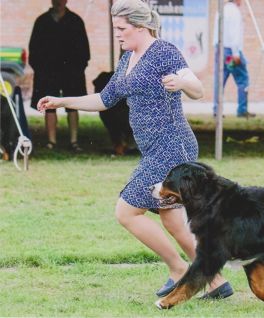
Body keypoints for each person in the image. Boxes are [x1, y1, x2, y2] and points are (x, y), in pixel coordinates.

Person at [37, 0, 233, 302]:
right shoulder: (128, 57)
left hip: (171, 146)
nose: (117, 33)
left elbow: (198, 89)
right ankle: (216, 281)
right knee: (171, 220)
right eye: (116, 28)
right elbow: (105, 99)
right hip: (155, 148)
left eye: (122, 28)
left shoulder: (164, 52)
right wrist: (62, 102)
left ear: (140, 27)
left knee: (127, 211)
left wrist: (182, 82)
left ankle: (180, 269)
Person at [29, 0, 90, 151]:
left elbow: (84, 49)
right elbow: (34, 48)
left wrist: (78, 68)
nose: (59, 2)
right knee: (49, 105)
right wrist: (39, 68)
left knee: (73, 105)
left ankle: (74, 141)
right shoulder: (42, 21)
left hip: (71, 71)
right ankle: (51, 141)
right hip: (47, 71)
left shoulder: (75, 21)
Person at [213, 0, 255, 118]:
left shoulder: (221, 10)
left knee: (220, 81)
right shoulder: (235, 12)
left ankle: (217, 110)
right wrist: (236, 53)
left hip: (219, 50)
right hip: (231, 52)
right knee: (243, 79)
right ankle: (242, 110)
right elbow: (234, 34)